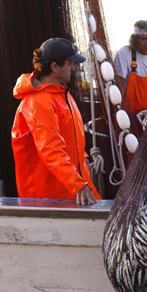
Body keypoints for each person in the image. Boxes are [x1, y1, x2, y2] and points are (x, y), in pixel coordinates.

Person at [11, 38, 101, 205]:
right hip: (51, 197)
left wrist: (83, 156)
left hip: (72, 188)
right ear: (54, 67)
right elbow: (51, 150)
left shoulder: (61, 93)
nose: (73, 68)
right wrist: (78, 185)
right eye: (69, 63)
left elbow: (69, 134)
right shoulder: (39, 102)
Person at [114, 20, 147, 113]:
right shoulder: (124, 53)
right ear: (135, 39)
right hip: (129, 114)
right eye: (144, 39)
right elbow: (118, 85)